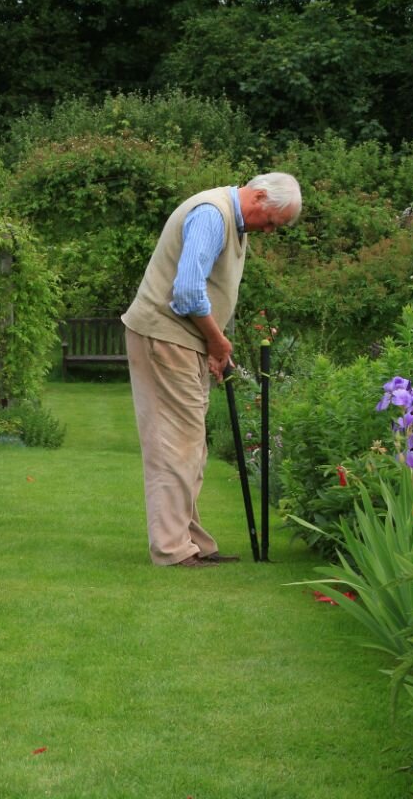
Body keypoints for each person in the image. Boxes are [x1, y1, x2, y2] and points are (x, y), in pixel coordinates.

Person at [121, 173, 302, 567]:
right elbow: (187, 291)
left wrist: (213, 347)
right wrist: (217, 341)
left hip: (183, 340)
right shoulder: (211, 214)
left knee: (190, 446)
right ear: (258, 196)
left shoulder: (232, 220)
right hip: (164, 337)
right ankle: (172, 550)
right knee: (175, 446)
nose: (270, 231)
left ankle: (191, 541)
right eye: (272, 221)